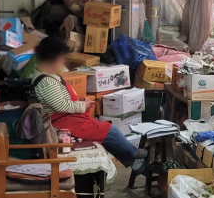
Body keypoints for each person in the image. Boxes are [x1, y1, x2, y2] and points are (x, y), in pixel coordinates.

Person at [29, 37, 148, 173]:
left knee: (106, 133)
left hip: (68, 117)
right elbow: (61, 106)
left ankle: (134, 160)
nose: (63, 61)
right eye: (61, 57)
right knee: (110, 131)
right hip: (62, 123)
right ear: (51, 57)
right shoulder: (46, 82)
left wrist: (79, 100)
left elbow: (59, 99)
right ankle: (135, 155)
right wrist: (82, 105)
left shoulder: (48, 74)